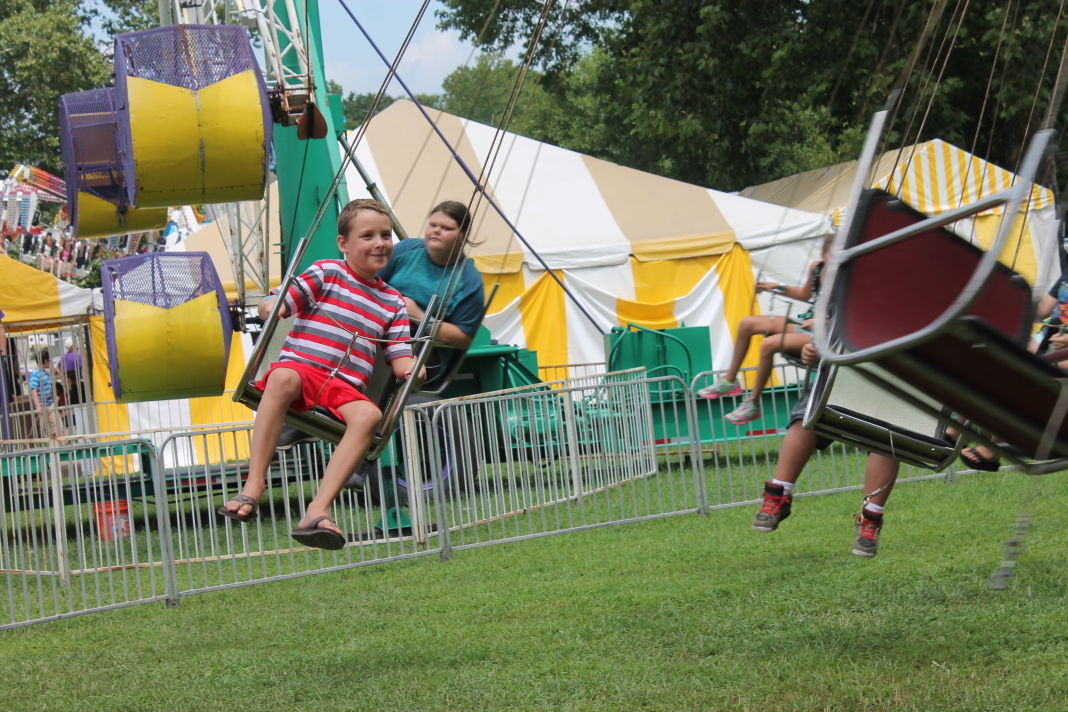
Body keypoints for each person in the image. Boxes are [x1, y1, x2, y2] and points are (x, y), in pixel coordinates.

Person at [217, 199, 420, 550]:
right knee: (282, 378)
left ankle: (318, 510)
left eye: (386, 235)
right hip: (303, 371)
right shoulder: (327, 273)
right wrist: (273, 305)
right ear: (344, 243)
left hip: (343, 387)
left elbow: (401, 359)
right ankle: (254, 485)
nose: (379, 243)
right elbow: (285, 300)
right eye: (368, 236)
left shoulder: (393, 303)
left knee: (369, 415)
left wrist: (415, 370)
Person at [751, 342, 899, 557]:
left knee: (888, 439)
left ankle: (870, 519)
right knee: (806, 418)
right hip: (845, 371)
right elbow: (826, 329)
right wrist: (811, 347)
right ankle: (779, 494)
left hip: (891, 376)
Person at [699, 233, 833, 426]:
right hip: (808, 323)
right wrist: (776, 287)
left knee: (769, 344)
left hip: (828, 333)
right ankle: (730, 380)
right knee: (747, 323)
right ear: (823, 254)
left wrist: (822, 322)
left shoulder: (848, 276)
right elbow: (804, 294)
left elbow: (850, 314)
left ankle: (752, 403)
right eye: (832, 255)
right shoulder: (817, 268)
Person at [377, 200, 485, 378]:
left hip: (426, 350)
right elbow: (371, 281)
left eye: (446, 228)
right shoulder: (405, 249)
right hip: (383, 329)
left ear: (463, 235)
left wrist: (419, 317)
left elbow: (463, 338)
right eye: (433, 225)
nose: (436, 231)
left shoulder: (469, 281)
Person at [28, 350, 61, 440]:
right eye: (49, 360)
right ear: (46, 361)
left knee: (57, 429)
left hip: (50, 404)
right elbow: (33, 390)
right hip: (42, 406)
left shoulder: (44, 373)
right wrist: (38, 406)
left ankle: (58, 445)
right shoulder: (36, 374)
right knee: (45, 432)